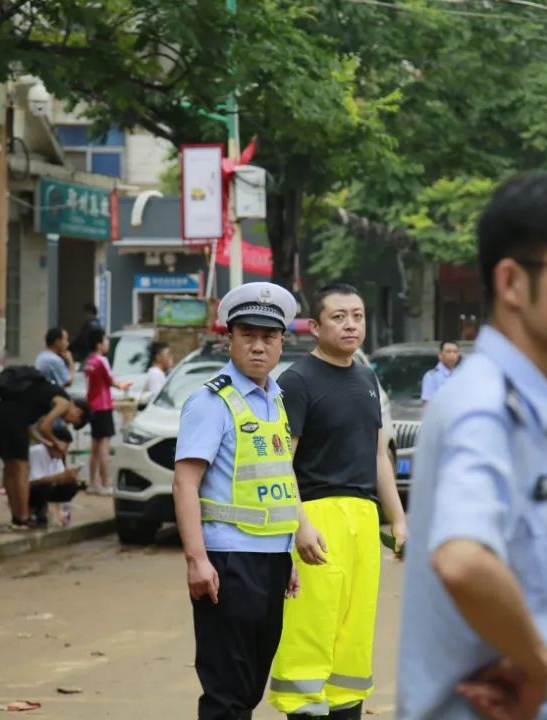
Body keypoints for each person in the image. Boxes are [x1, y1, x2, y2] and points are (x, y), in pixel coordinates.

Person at [396, 173, 547, 720]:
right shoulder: (486, 408)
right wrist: (544, 663)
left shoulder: (536, 408)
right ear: (512, 283)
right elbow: (463, 560)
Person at [172, 281, 323, 720]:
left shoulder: (275, 400)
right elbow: (185, 484)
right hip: (227, 562)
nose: (258, 347)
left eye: (268, 338)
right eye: (248, 336)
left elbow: (279, 478)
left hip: (270, 561)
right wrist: (196, 560)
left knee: (250, 687)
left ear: (281, 343)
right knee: (226, 692)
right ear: (230, 339)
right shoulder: (210, 402)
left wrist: (287, 547)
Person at [268, 283, 408, 720]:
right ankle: (303, 711)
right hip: (318, 514)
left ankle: (347, 709)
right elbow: (281, 463)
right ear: (315, 327)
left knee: (354, 631)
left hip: (363, 520)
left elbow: (377, 455)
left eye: (358, 315)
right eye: (339, 316)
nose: (351, 324)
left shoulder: (366, 378)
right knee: (313, 630)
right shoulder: (297, 382)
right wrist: (299, 523)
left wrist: (398, 520)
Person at [0, 374, 90, 529]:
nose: (67, 422)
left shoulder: (45, 396)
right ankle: (24, 517)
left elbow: (31, 430)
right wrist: (56, 442)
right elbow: (44, 427)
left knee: (11, 468)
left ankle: (17, 517)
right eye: (72, 421)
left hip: (2, 415)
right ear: (78, 412)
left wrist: (47, 442)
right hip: (14, 419)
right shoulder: (64, 402)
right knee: (21, 469)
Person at [84, 328, 132, 495]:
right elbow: (111, 381)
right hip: (103, 406)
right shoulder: (101, 361)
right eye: (105, 340)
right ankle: (105, 483)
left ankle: (92, 483)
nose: (107, 343)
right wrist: (123, 385)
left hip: (93, 407)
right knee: (104, 446)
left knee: (94, 447)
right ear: (98, 344)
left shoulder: (89, 361)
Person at [27, 426, 83, 527]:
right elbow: (32, 481)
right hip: (32, 490)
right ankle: (35, 510)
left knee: (71, 487)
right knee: (44, 488)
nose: (65, 451)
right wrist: (57, 478)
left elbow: (60, 476)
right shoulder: (37, 452)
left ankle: (56, 512)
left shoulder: (58, 457)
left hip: (48, 486)